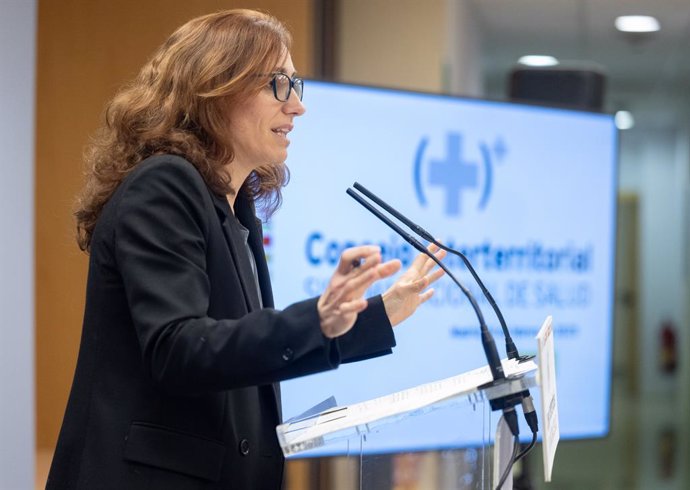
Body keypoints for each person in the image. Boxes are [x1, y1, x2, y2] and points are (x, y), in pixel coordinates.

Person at [47, 9, 445, 490]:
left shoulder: (238, 211)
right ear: (215, 88)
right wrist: (315, 317)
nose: (297, 106)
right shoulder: (164, 186)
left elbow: (240, 347)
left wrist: (380, 313)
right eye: (279, 84)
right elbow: (180, 348)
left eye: (298, 86)